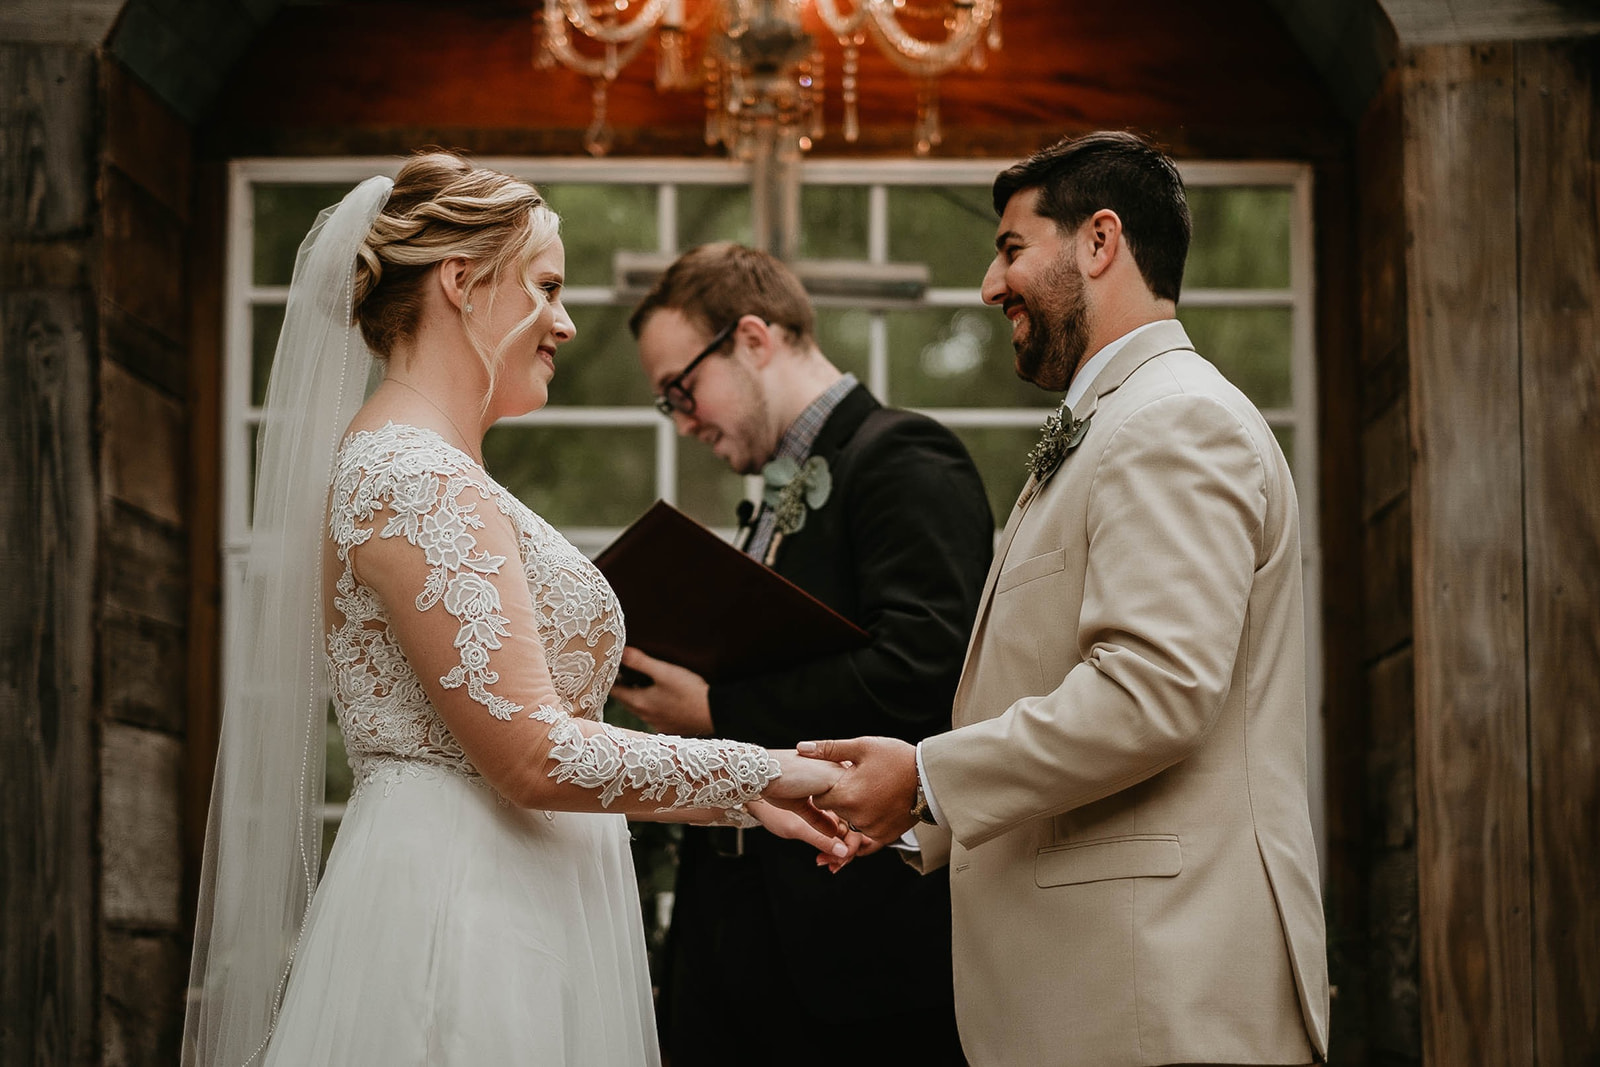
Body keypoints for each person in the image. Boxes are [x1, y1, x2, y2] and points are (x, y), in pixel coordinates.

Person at [181, 153, 855, 1067]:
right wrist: (759, 775)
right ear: (461, 282)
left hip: (506, 886)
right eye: (545, 286)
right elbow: (534, 753)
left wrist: (743, 792)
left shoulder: (425, 466)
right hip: (467, 909)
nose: (566, 322)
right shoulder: (414, 476)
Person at [801, 131, 1331, 1066]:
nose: (989, 285)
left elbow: (1152, 692)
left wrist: (927, 775)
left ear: (1099, 241)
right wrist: (913, 807)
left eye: (1011, 248)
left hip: (1156, 989)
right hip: (1106, 988)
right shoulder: (1121, 422)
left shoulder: (1173, 420)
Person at [612, 242, 993, 1064]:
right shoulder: (781, 488)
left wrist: (715, 710)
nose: (681, 419)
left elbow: (922, 667)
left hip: (852, 947)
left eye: (682, 387)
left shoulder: (903, 457)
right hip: (736, 936)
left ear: (753, 338)